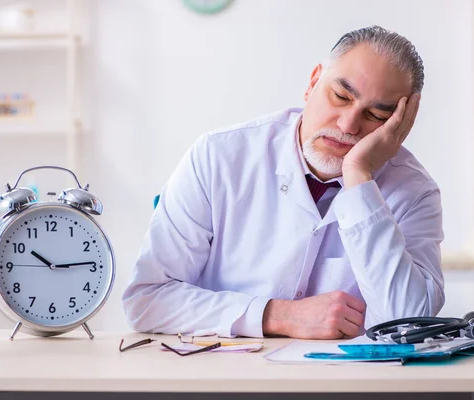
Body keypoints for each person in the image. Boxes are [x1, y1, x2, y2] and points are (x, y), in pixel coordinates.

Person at [122, 25, 445, 339]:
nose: (348, 125)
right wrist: (278, 315)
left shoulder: (414, 192)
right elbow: (148, 300)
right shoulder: (218, 156)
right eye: (341, 96)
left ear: (401, 124)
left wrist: (360, 178)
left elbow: (409, 326)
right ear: (313, 82)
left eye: (376, 116)